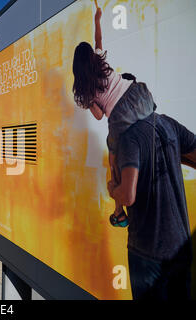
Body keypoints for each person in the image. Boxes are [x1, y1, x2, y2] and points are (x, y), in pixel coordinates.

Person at [72, 5, 156, 227]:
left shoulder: (83, 91)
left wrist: (93, 101)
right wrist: (97, 18)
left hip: (120, 116)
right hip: (140, 95)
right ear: (90, 56)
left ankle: (119, 212)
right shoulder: (100, 61)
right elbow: (98, 38)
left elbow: (100, 116)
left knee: (115, 163)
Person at [107, 112, 196, 299]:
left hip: (146, 251)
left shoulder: (122, 136)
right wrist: (173, 156)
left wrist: (115, 202)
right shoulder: (167, 124)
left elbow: (122, 197)